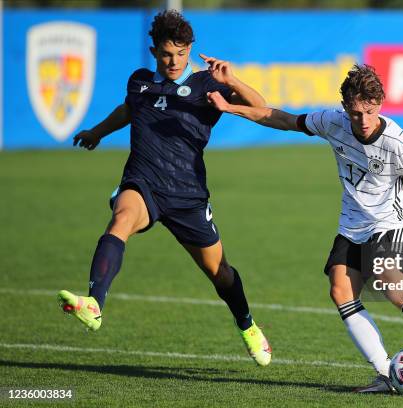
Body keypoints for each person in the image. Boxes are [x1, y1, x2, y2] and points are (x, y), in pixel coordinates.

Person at [207, 64, 403, 395]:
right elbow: (280, 118)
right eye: (356, 113)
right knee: (341, 290)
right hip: (352, 223)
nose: (363, 120)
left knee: (388, 279)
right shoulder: (332, 122)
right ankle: (386, 374)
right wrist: (229, 107)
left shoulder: (398, 142)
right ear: (345, 109)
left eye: (369, 111)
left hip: (391, 221)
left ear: (380, 103)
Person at [57, 10, 272, 367]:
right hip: (144, 181)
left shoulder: (206, 85)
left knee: (219, 272)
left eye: (181, 52)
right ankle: (94, 304)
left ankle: (248, 325)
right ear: (154, 51)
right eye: (166, 53)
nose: (173, 61)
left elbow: (261, 108)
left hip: (188, 194)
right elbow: (129, 110)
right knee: (120, 219)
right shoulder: (140, 81)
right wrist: (97, 131)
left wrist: (231, 81)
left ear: (190, 50)